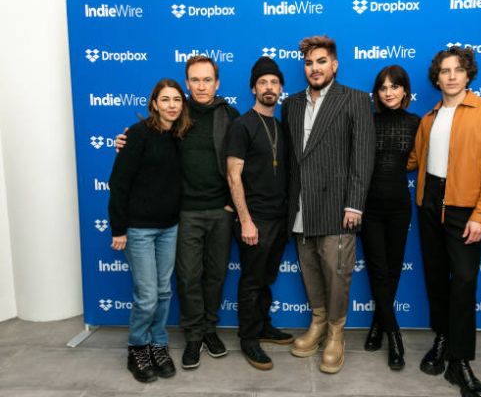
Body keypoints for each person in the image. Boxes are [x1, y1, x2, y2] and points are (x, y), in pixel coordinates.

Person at [116, 56, 240, 370]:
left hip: (221, 212)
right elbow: (148, 140)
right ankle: (194, 335)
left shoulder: (230, 115)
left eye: (207, 79)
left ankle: (210, 329)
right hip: (183, 214)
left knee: (215, 275)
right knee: (187, 279)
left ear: (217, 83)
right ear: (187, 84)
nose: (201, 86)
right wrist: (124, 142)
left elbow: (244, 160)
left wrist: (231, 202)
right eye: (195, 80)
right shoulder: (176, 115)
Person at [410, 46, 481, 397]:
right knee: (436, 279)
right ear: (436, 78)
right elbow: (413, 161)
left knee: (465, 281)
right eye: (444, 71)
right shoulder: (428, 119)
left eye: (458, 70)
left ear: (468, 74)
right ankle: (441, 338)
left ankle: (460, 361)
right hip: (429, 203)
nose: (451, 76)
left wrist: (480, 214)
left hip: (465, 207)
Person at [282, 35, 375, 374]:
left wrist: (355, 204)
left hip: (338, 207)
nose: (314, 68)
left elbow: (362, 157)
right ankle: (318, 322)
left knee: (337, 275)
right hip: (301, 207)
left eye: (321, 61)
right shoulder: (291, 104)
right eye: (309, 63)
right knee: (310, 272)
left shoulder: (353, 99)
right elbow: (290, 159)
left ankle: (336, 332)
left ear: (334, 65)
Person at [108, 78, 192, 383]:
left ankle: (159, 345)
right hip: (139, 230)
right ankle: (137, 347)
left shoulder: (181, 135)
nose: (171, 105)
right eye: (165, 99)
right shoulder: (138, 134)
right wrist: (119, 229)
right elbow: (118, 184)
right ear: (154, 103)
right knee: (146, 295)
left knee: (164, 291)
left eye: (177, 100)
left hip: (169, 227)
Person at [226, 57, 293, 370]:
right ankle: (248, 337)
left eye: (274, 82)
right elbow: (233, 175)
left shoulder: (280, 126)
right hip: (255, 218)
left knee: (267, 277)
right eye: (263, 82)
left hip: (280, 218)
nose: (269, 88)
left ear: (280, 88)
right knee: (252, 280)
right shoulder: (242, 125)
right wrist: (246, 220)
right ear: (253, 88)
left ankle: (263, 325)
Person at [361, 65, 420, 370]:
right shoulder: (367, 122)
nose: (389, 92)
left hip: (399, 206)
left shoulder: (416, 123)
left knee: (393, 270)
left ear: (404, 91)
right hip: (369, 207)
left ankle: (377, 325)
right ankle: (394, 335)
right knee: (377, 270)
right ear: (377, 93)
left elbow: (415, 162)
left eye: (394, 87)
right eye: (383, 88)